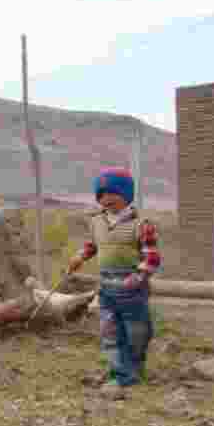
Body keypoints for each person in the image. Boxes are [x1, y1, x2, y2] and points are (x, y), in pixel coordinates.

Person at [68, 167, 162, 399]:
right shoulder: (96, 221)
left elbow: (152, 257)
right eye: (101, 195)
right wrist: (79, 257)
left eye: (112, 193)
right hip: (107, 289)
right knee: (110, 333)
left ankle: (133, 369)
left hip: (133, 290)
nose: (105, 199)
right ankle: (119, 373)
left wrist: (137, 278)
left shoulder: (142, 224)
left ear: (126, 194)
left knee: (137, 332)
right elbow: (93, 245)